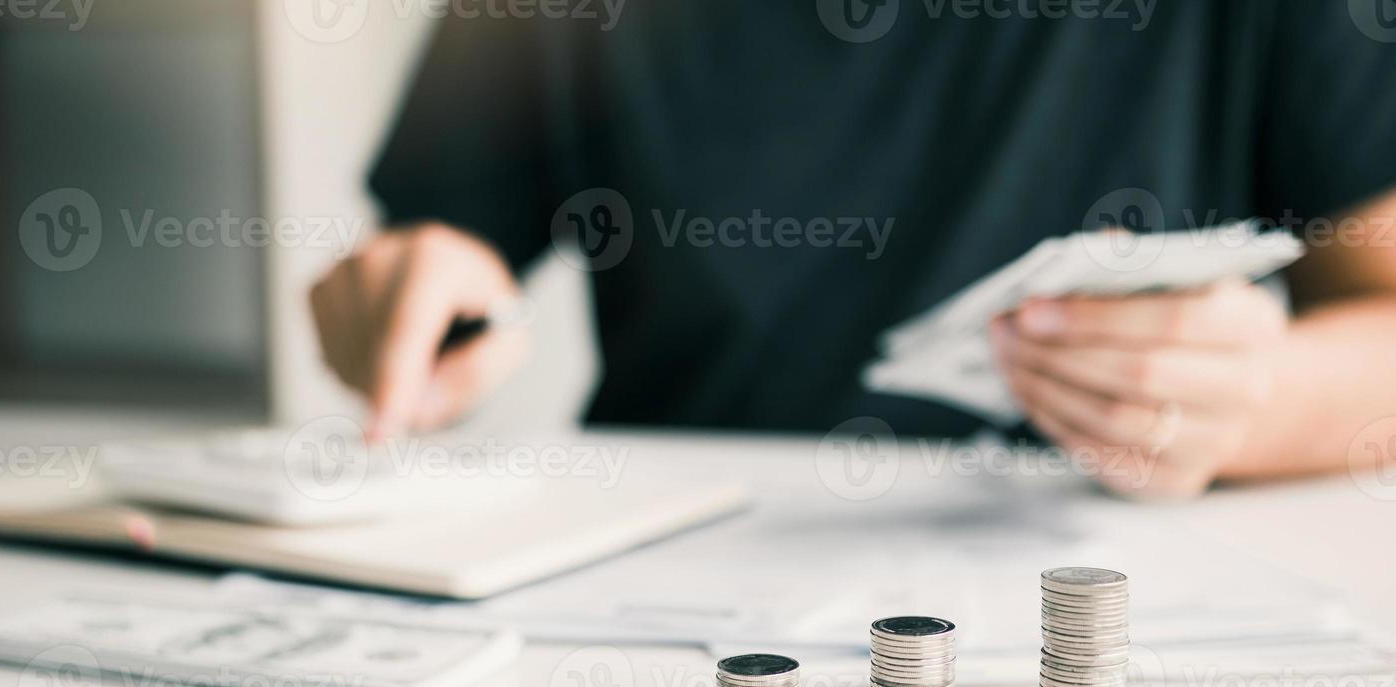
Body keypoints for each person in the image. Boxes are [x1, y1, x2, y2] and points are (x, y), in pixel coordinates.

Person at [309, 2, 1396, 498]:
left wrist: (1246, 401)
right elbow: (434, 257)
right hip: (661, 592)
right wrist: (409, 297)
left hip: (1105, 582)